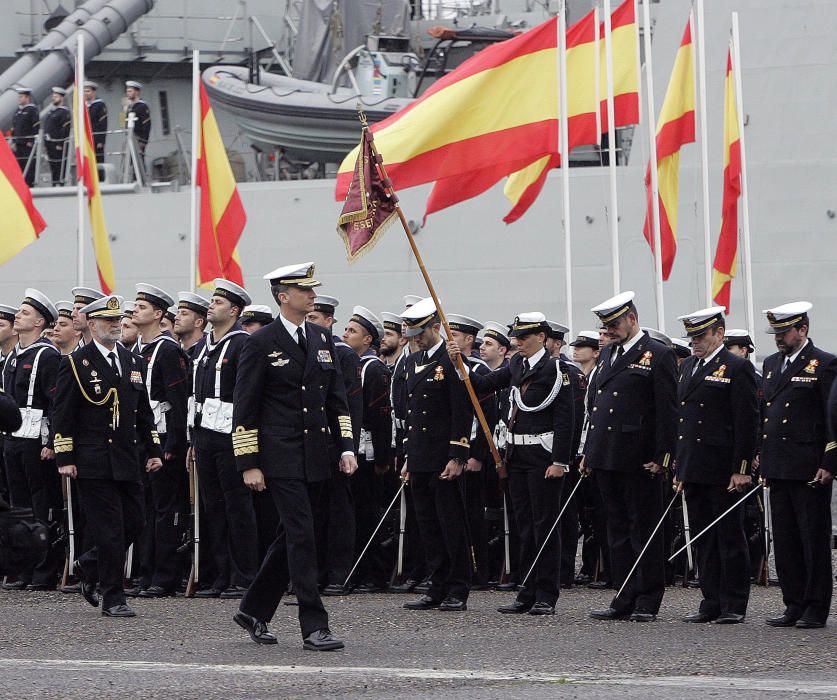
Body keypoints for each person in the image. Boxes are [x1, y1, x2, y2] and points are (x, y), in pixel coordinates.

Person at [232, 262, 357, 652]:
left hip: (317, 453)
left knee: (295, 535)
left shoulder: (321, 338)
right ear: (283, 297)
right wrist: (248, 461)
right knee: (302, 536)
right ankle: (314, 625)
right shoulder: (259, 342)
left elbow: (335, 397)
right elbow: (245, 405)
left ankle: (253, 609)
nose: (312, 296)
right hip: (280, 454)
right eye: (304, 291)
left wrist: (346, 445)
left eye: (312, 290)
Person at [450, 312, 573, 615]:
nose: (519, 342)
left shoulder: (556, 369)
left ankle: (546, 594)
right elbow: (482, 384)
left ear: (542, 337)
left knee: (545, 526)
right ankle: (526, 591)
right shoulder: (516, 364)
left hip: (543, 457)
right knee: (523, 527)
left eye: (526, 337)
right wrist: (459, 362)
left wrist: (559, 460)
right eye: (517, 337)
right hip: (516, 456)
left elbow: (566, 418)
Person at [53, 295, 162, 616]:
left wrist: (153, 449)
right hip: (92, 460)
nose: (115, 325)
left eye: (118, 320)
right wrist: (65, 456)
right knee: (110, 529)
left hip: (128, 458)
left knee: (136, 523)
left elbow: (143, 412)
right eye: (107, 320)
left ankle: (89, 564)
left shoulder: (132, 361)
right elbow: (63, 414)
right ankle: (113, 597)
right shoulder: (75, 362)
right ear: (91, 323)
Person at [584, 291, 678, 623]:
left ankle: (648, 597)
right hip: (608, 456)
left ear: (632, 319)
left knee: (644, 529)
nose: (608, 331)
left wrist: (663, 455)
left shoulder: (658, 353)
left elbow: (667, 411)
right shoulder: (608, 354)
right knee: (618, 529)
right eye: (605, 326)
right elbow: (598, 407)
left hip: (640, 458)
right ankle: (623, 593)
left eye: (614, 324)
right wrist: (590, 452)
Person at [673, 307, 759, 624]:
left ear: (719, 334)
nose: (695, 342)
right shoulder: (690, 368)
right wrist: (680, 467)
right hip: (695, 467)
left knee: (729, 536)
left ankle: (734, 603)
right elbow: (683, 422)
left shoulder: (736, 367)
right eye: (692, 337)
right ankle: (710, 600)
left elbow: (746, 421)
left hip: (724, 468)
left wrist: (742, 468)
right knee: (703, 537)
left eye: (701, 336)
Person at [760, 302, 836, 629]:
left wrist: (829, 460)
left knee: (812, 539)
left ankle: (815, 607)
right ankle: (793, 602)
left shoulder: (824, 364)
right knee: (786, 538)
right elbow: (766, 414)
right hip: (778, 464)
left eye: (785, 332)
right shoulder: (772, 364)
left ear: (802, 330)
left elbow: (832, 416)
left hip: (808, 466)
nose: (779, 338)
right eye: (776, 332)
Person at [399, 298, 473, 612]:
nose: (416, 337)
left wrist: (457, 455)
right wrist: (408, 458)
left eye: (421, 331)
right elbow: (413, 416)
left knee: (451, 524)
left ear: (436, 327)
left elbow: (462, 410)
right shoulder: (412, 362)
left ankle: (458, 587)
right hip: (420, 457)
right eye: (412, 332)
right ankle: (437, 585)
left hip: (444, 456)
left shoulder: (451, 360)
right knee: (428, 526)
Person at [191, 279, 258, 599]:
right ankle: (219, 575)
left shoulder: (243, 343)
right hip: (205, 434)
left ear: (234, 310)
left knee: (237, 508)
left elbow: (248, 396)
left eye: (218, 302)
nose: (211, 305)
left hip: (231, 436)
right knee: (212, 506)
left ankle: (243, 576)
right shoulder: (205, 345)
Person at [2, 290, 62, 590]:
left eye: (25, 313)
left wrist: (51, 441)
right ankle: (22, 567)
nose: (18, 316)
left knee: (40, 505)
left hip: (36, 440)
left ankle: (43, 571)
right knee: (19, 506)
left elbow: (55, 402)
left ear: (40, 321)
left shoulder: (47, 354)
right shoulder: (14, 355)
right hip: (13, 437)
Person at [133, 283, 189, 598]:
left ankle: (164, 575)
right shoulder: (136, 350)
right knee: (144, 509)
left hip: (164, 438)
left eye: (142, 307)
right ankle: (145, 571)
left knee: (164, 510)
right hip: (140, 440)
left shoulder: (168, 350)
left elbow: (179, 401)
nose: (134, 311)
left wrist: (173, 446)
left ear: (158, 314)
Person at [307, 295, 362, 595]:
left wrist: (347, 446)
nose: (310, 323)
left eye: (315, 319)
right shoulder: (307, 348)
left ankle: (339, 574)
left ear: (329, 321)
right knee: (314, 513)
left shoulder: (343, 354)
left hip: (336, 443)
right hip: (312, 445)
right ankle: (314, 575)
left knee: (339, 511)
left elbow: (350, 406)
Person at [342, 306, 393, 592]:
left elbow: (381, 415)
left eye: (352, 331)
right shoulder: (352, 364)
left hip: (368, 452)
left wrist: (383, 457)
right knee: (353, 513)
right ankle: (356, 570)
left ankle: (374, 574)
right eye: (347, 329)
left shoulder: (373, 369)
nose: (346, 334)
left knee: (367, 513)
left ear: (367, 340)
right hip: (353, 451)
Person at [447, 313, 494, 589]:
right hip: (453, 450)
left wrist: (477, 454)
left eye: (456, 335)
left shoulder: (478, 371)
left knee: (473, 514)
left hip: (473, 451)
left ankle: (481, 571)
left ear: (468, 339)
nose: (450, 340)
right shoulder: (446, 366)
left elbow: (487, 416)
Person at [42, 87, 71, 186]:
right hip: (50, 144)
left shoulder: (64, 112)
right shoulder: (52, 112)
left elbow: (65, 129)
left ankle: (60, 183)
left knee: (60, 165)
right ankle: (54, 183)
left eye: (56, 97)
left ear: (62, 98)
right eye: (53, 96)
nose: (53, 98)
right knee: (53, 165)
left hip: (58, 145)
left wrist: (60, 143)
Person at [11, 86, 39, 186]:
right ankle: (21, 185)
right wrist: (13, 142)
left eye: (21, 96)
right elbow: (14, 128)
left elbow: (35, 126)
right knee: (19, 165)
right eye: (19, 96)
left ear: (27, 98)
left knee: (29, 165)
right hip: (18, 143)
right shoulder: (17, 111)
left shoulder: (32, 110)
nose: (19, 98)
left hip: (27, 144)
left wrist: (30, 141)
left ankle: (29, 184)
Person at [173, 292, 209, 357]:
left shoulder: (207, 352)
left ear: (198, 322)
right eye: (177, 313)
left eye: (184, 314)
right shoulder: (172, 351)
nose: (176, 317)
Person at [125, 81, 151, 167]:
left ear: (136, 92)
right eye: (127, 91)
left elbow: (147, 124)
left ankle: (141, 179)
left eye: (130, 91)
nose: (128, 93)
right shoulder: (129, 107)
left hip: (139, 137)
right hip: (131, 136)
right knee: (132, 160)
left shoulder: (142, 106)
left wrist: (144, 140)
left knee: (139, 159)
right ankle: (134, 178)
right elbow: (125, 121)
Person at [84, 81, 107, 164]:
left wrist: (101, 141)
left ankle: (100, 177)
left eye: (88, 91)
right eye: (84, 91)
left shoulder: (99, 105)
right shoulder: (84, 106)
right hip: (86, 138)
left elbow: (103, 123)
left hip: (96, 138)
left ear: (93, 92)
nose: (85, 93)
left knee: (98, 161)